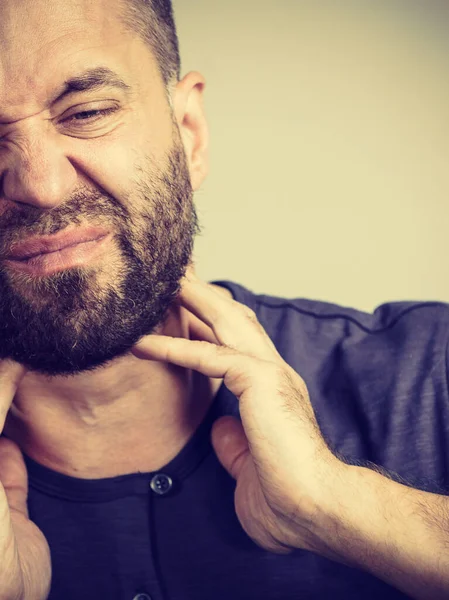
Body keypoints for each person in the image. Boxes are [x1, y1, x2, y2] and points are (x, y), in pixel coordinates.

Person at [0, 0, 447, 598]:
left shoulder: (428, 374)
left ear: (189, 134)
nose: (40, 186)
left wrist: (345, 509)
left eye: (88, 112)